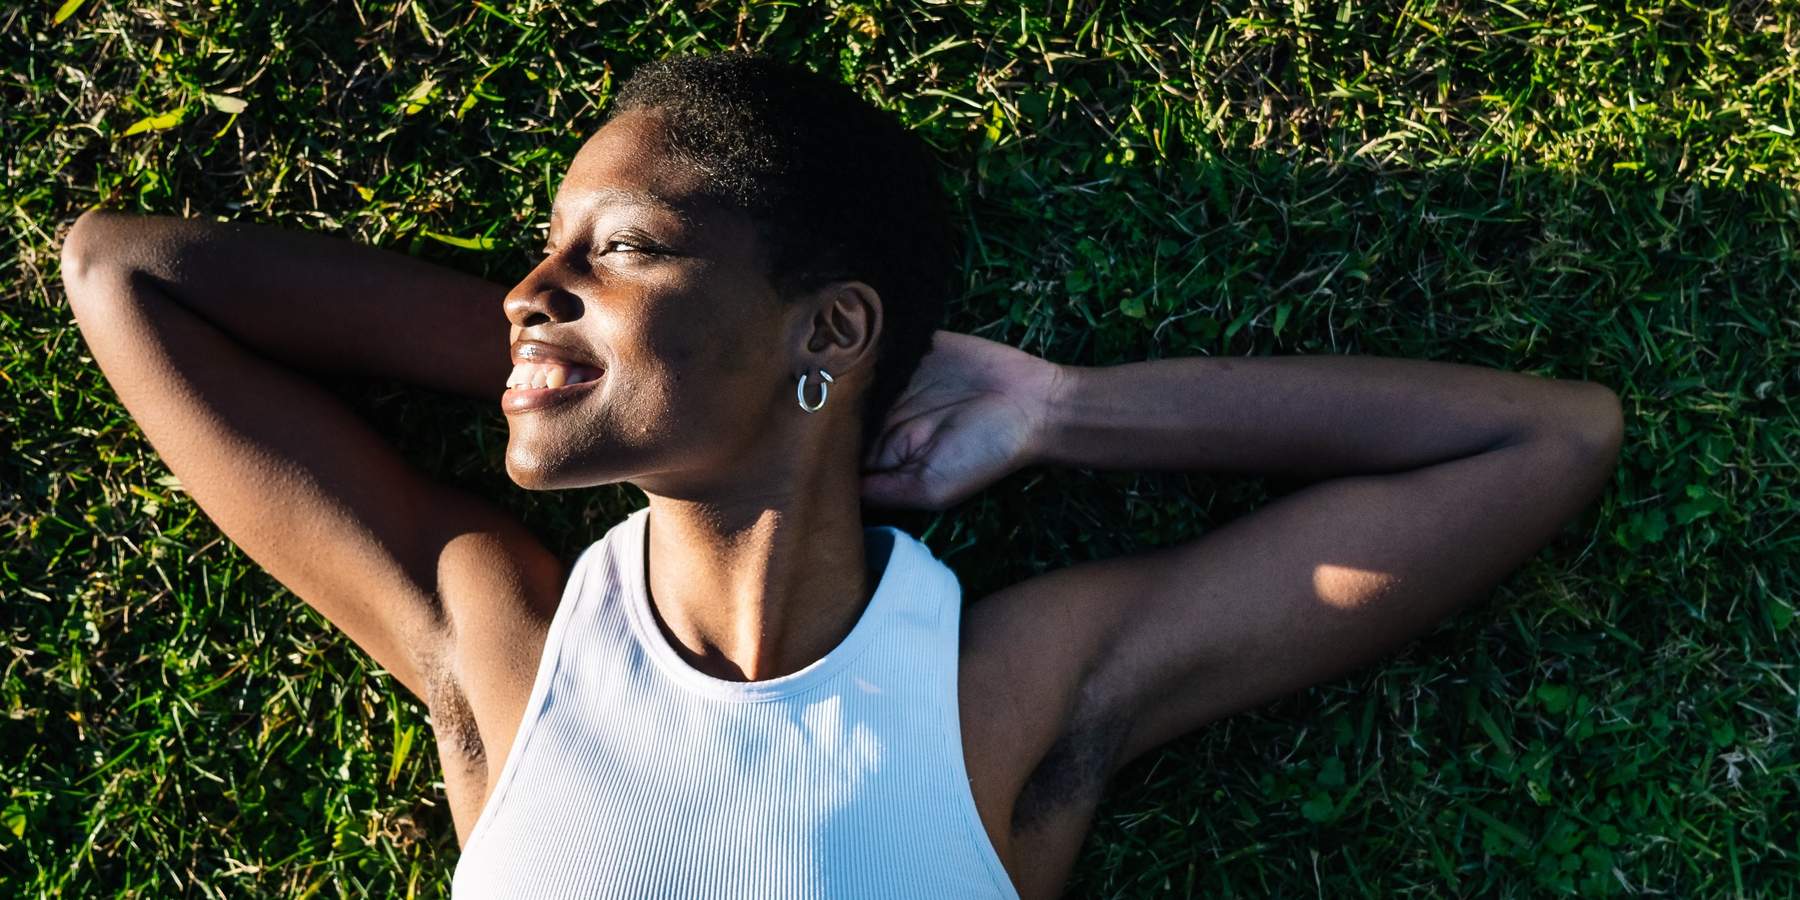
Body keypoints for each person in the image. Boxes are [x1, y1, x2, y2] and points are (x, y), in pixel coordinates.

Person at [58, 50, 1623, 899]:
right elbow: (124, 272)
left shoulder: (1007, 690)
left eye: (621, 247)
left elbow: (1544, 440)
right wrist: (562, 355)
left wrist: (1066, 413)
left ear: (833, 326)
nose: (529, 283)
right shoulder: (506, 653)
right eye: (543, 254)